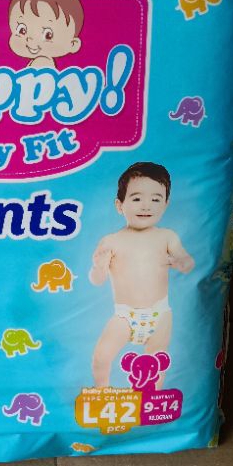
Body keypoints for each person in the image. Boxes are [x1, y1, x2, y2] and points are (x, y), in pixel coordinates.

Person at [89, 161, 194, 388]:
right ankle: (102, 392)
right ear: (120, 205)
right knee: (101, 357)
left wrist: (179, 262)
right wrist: (99, 267)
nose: (146, 206)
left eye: (155, 199)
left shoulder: (167, 237)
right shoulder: (111, 241)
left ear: (165, 204)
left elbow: (188, 262)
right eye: (137, 199)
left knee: (157, 363)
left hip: (160, 313)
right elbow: (97, 281)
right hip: (125, 316)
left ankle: (151, 398)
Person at [8, 0, 84, 69]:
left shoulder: (42, 62)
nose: (30, 39)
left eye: (48, 35)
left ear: (73, 44)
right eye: (22, 30)